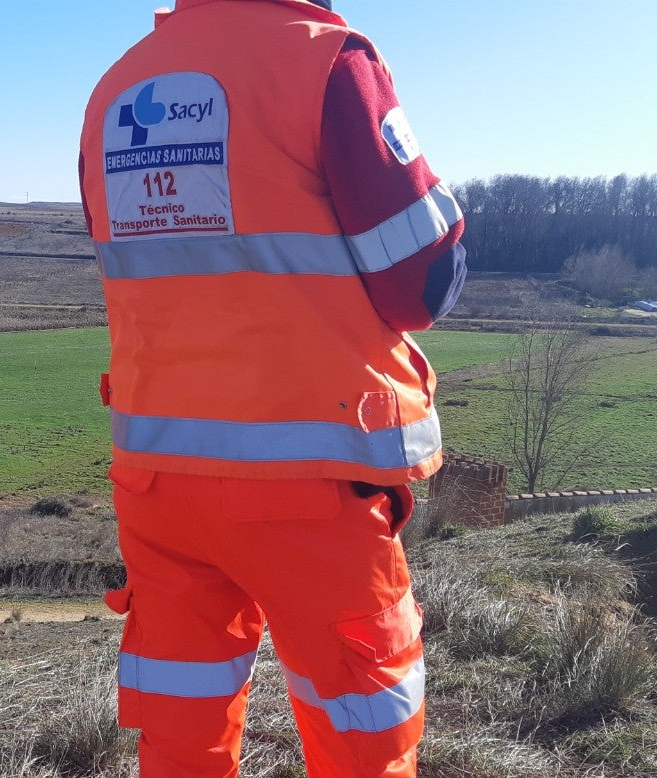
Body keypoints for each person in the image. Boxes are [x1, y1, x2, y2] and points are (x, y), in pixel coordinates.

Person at [77, 1, 467, 775]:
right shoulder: (326, 62)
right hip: (308, 480)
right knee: (363, 727)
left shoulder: (116, 88)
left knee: (182, 724)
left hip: (159, 482)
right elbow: (420, 280)